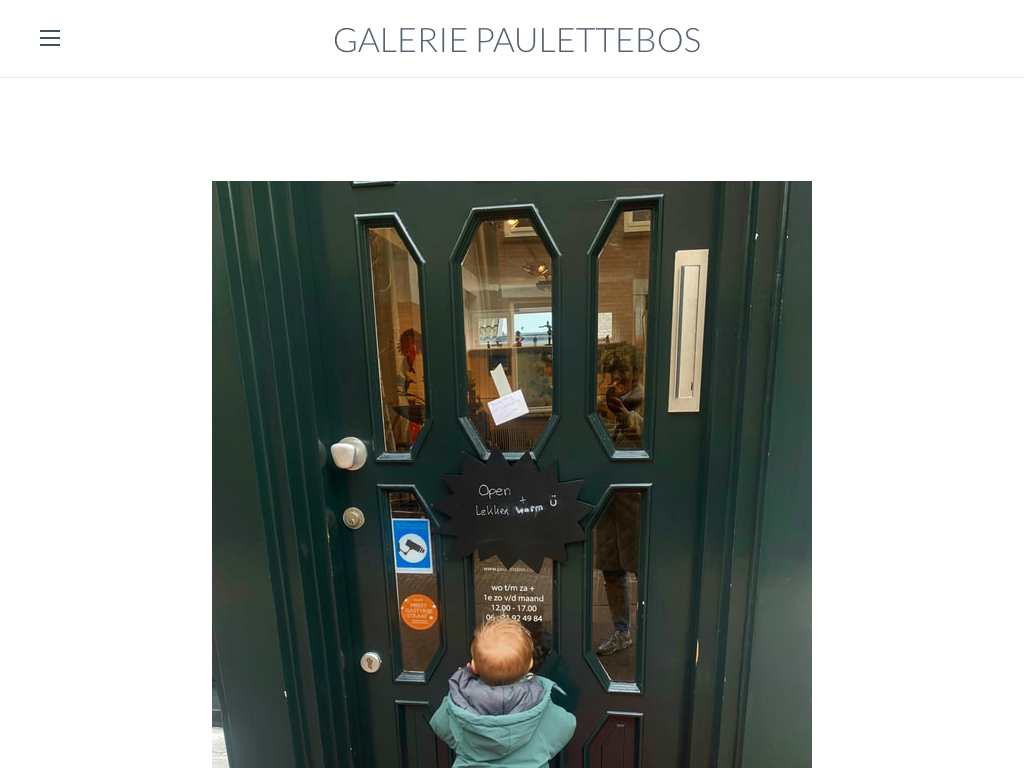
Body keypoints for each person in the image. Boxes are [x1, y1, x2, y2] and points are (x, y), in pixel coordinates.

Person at [430, 617, 576, 767]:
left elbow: (440, 724)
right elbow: (567, 726)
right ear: (530, 664)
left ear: (474, 667)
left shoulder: (461, 703)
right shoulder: (538, 701)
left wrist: (461, 687)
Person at [595, 343, 643, 656]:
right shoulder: (601, 406)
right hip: (606, 500)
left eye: (622, 371)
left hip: (635, 500)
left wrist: (626, 418)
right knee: (611, 571)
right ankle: (621, 632)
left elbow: (651, 439)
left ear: (635, 372)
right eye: (611, 372)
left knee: (643, 568)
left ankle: (652, 630)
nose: (617, 378)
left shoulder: (646, 401)